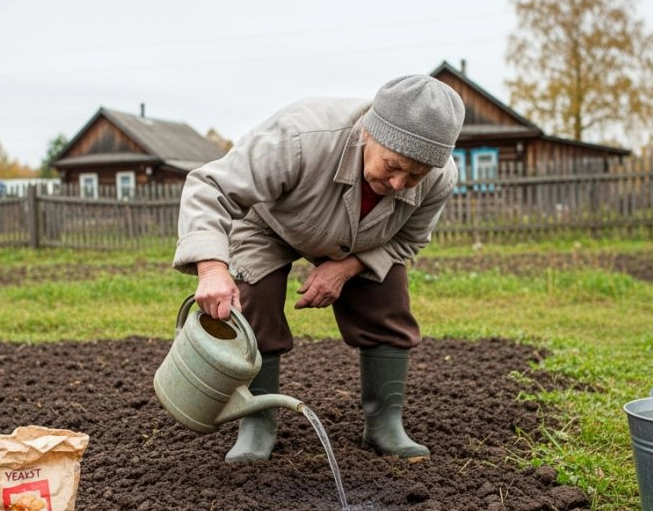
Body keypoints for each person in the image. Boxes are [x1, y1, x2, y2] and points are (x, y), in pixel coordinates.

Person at [173, 74, 465, 463]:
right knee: (253, 300)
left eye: (415, 175)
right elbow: (208, 187)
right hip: (269, 224)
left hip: (364, 242)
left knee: (389, 305)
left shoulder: (439, 178)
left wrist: (345, 269)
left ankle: (385, 425)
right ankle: (258, 425)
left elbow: (408, 240)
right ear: (367, 134)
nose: (399, 183)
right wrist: (212, 269)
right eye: (392, 166)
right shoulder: (299, 137)